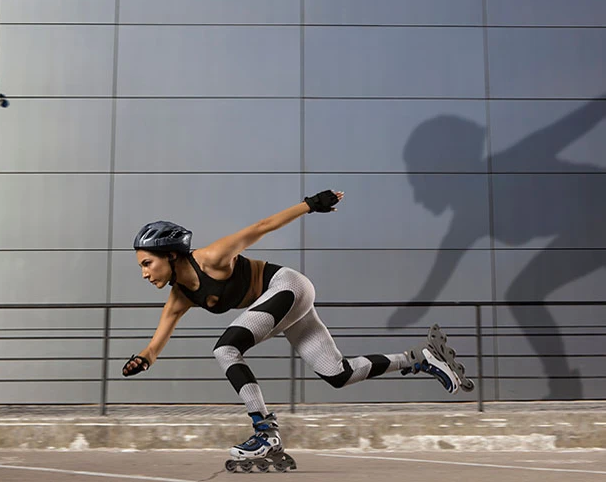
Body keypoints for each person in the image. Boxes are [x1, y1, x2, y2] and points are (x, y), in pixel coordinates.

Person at [123, 189, 473, 461]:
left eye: (147, 263)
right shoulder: (180, 298)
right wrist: (142, 360)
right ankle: (420, 358)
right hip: (282, 308)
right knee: (338, 374)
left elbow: (260, 228)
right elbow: (155, 346)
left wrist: (310, 204)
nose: (144, 273)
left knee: (226, 348)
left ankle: (265, 432)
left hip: (287, 287)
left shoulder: (211, 258)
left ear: (170, 253)